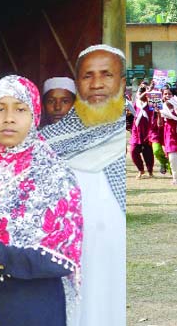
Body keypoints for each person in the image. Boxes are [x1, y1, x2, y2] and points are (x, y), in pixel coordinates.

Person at [0, 75, 82, 326]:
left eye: (20, 109)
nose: (8, 118)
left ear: (34, 116)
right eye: (0, 109)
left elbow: (61, 258)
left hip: (33, 308)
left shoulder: (54, 173)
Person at [39, 44, 126, 326]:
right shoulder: (47, 143)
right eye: (88, 76)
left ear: (122, 82)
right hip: (69, 262)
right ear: (78, 84)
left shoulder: (131, 132)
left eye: (106, 74)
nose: (97, 84)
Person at [157, 87, 177, 184]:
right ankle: (176, 177)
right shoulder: (161, 108)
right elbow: (160, 124)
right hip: (169, 133)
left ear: (173, 96)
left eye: (169, 94)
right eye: (165, 94)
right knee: (172, 157)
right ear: (162, 96)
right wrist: (157, 113)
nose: (167, 96)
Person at [129, 81, 155, 179]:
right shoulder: (137, 102)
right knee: (133, 151)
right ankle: (141, 169)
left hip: (147, 131)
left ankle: (150, 171)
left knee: (148, 152)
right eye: (141, 89)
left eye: (144, 89)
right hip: (136, 131)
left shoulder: (151, 103)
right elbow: (139, 97)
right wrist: (146, 89)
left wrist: (150, 90)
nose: (142, 90)